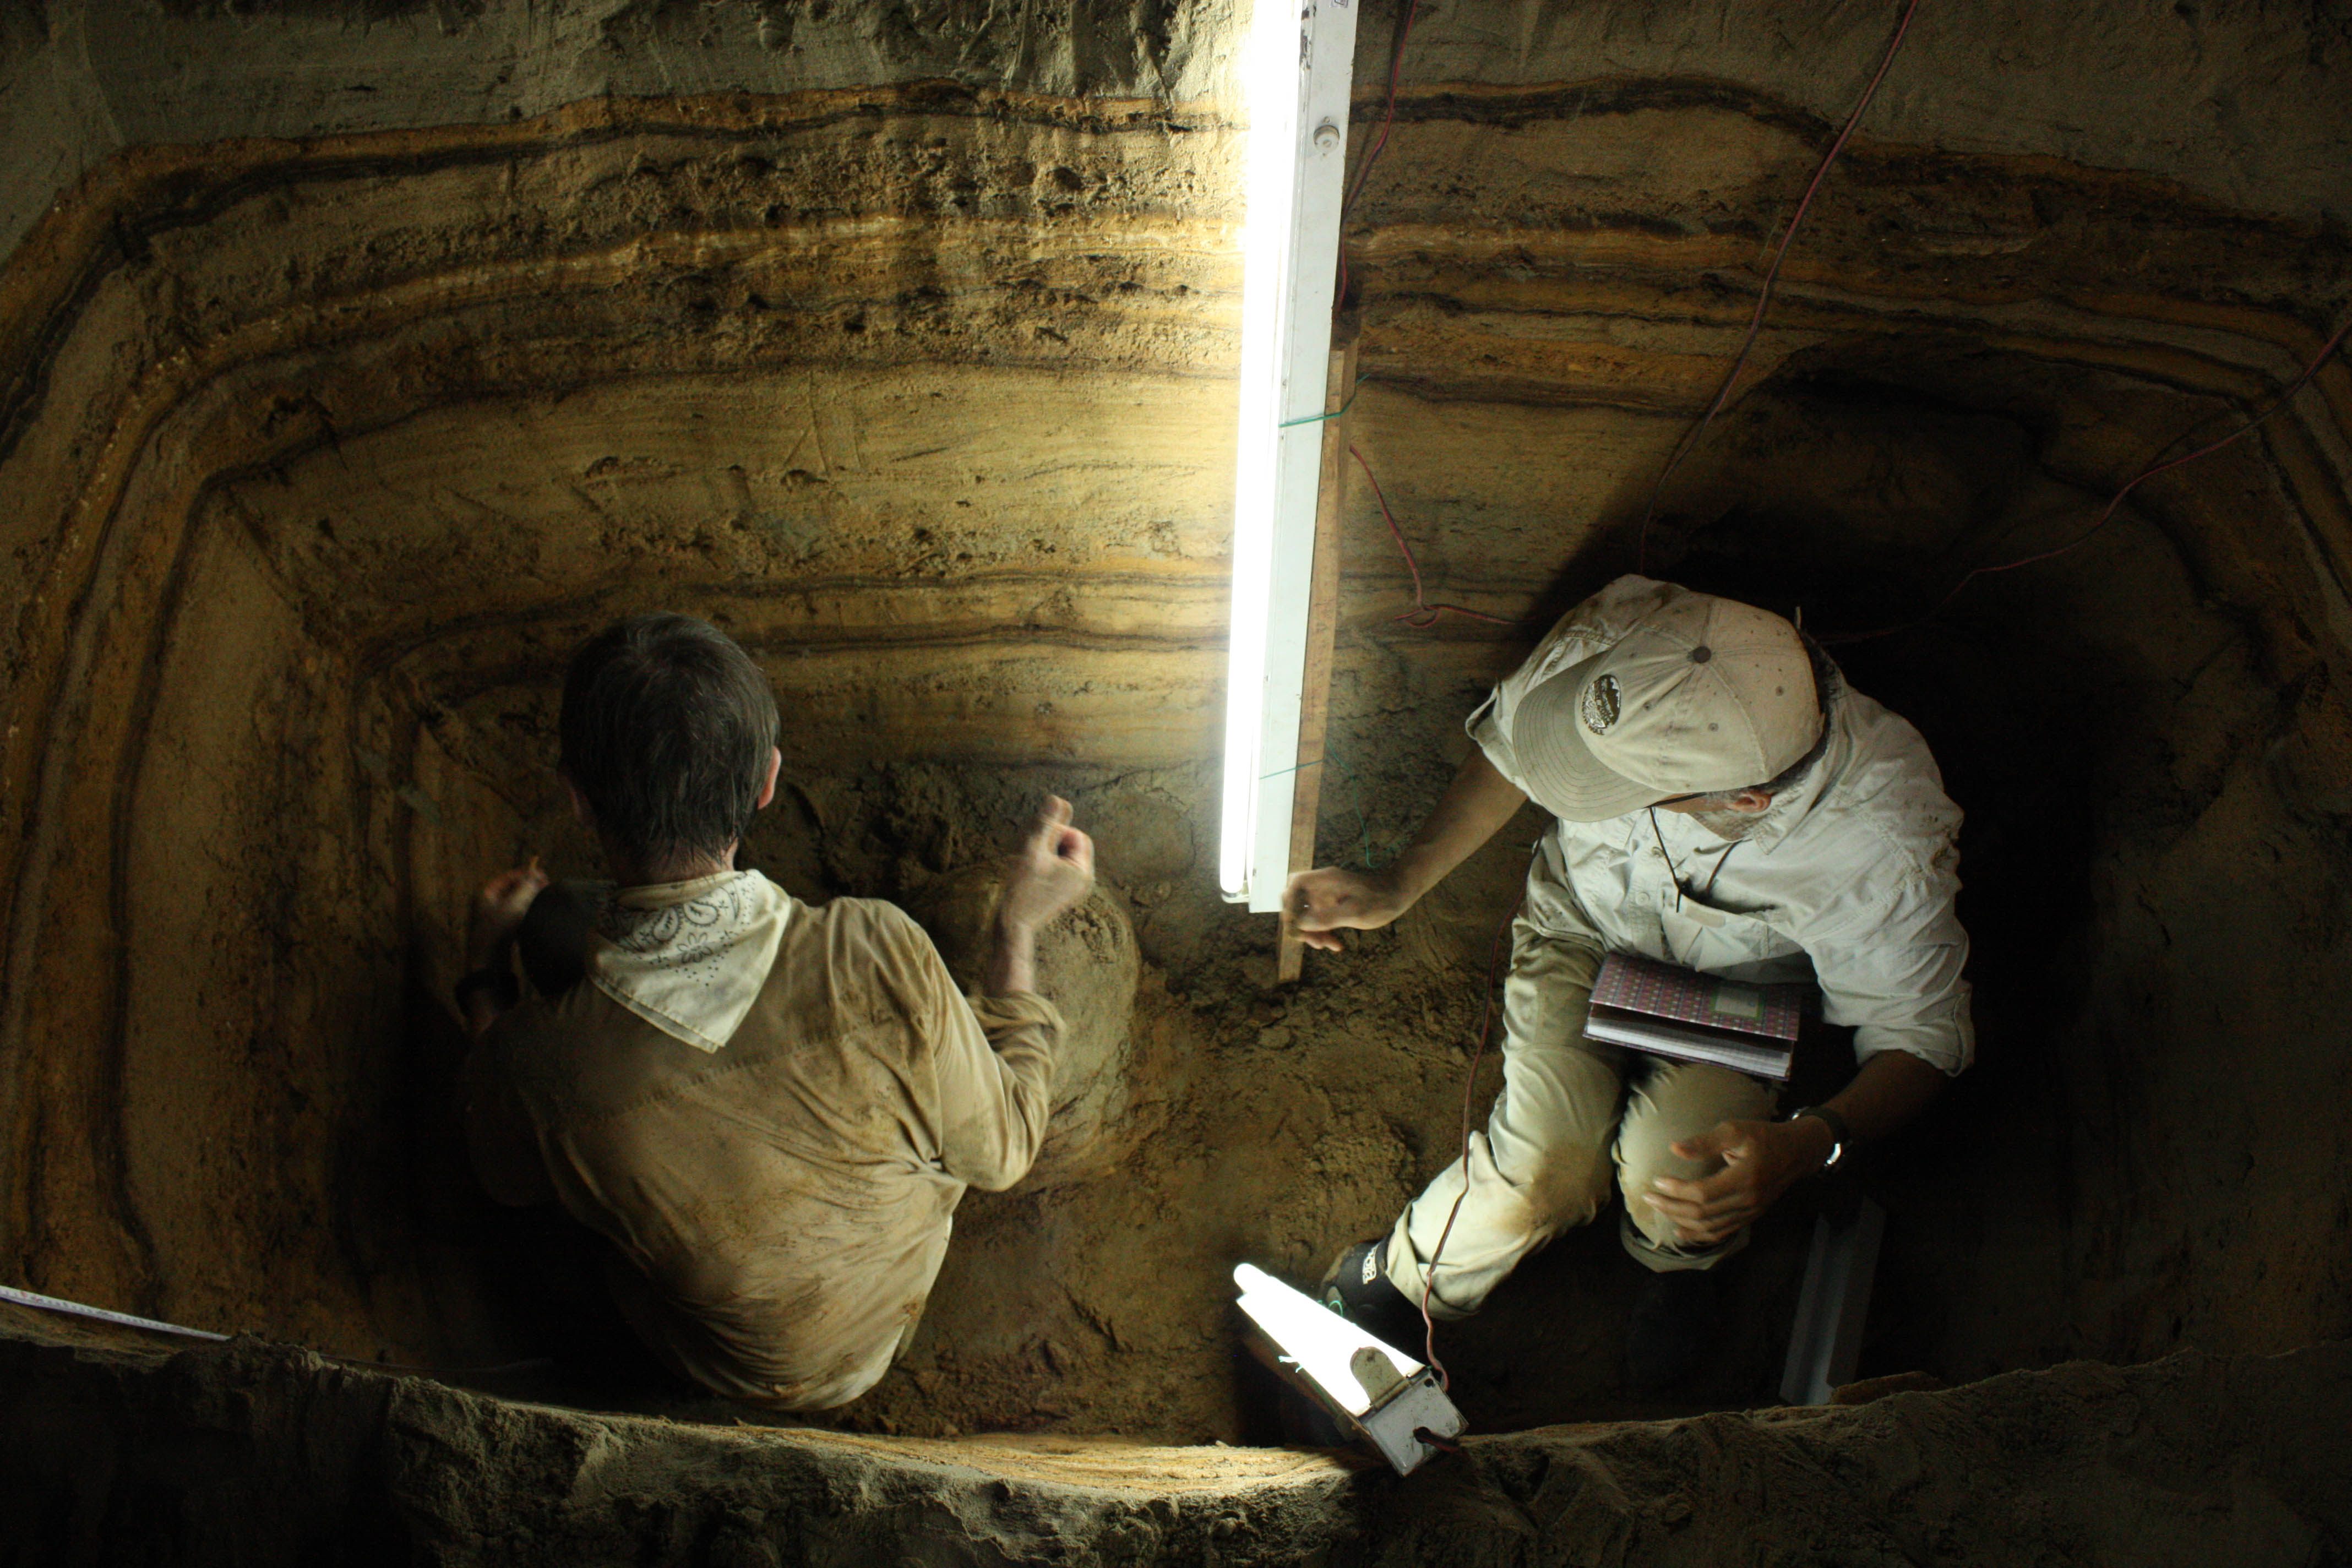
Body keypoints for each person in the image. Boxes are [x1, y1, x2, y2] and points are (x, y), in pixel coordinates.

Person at [1289, 575, 1970, 1390]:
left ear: (1742, 801)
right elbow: (1519, 751)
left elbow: (1922, 1042)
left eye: (1619, 790)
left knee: (1677, 1182)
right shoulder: (1636, 632)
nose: (1581, 793)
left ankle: (1676, 1265)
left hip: (1739, 990)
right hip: (1581, 923)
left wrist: (1807, 1141)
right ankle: (1392, 1286)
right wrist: (1401, 880)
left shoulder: (1879, 844)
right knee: (1540, 1172)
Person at [453, 613, 1095, 1409]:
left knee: (551, 930)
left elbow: (497, 1170)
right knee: (562, 926)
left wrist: (484, 974)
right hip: (874, 1330)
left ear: (578, 800)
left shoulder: (540, 1062)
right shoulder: (877, 950)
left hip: (722, 1362)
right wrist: (1018, 925)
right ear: (768, 782)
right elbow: (1007, 1149)